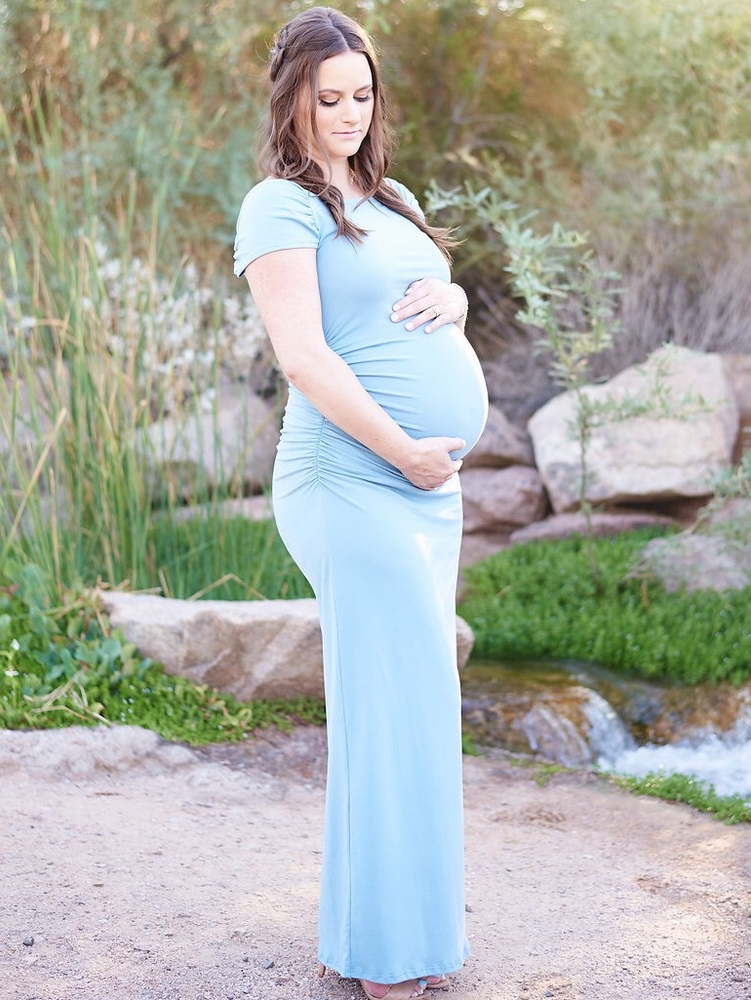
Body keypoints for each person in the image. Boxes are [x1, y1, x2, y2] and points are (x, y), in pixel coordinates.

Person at [232, 7, 489, 1000]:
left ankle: (396, 936)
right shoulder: (277, 207)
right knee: (388, 709)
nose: (347, 113)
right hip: (351, 479)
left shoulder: (393, 196)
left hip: (426, 488)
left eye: (361, 95)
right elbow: (302, 356)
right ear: (292, 96)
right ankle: (384, 956)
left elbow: (428, 287)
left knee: (418, 703)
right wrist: (402, 452)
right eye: (327, 97)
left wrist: (457, 302)